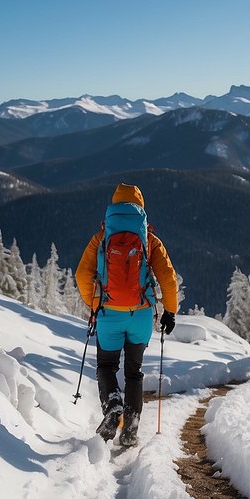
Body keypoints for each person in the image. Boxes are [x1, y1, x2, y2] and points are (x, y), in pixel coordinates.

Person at [76, 182, 178, 447]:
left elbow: (82, 274)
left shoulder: (102, 237)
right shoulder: (149, 239)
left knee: (106, 367)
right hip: (141, 315)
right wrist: (170, 311)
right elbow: (167, 277)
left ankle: (113, 405)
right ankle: (131, 426)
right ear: (140, 208)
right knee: (134, 372)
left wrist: (95, 303)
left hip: (109, 313)